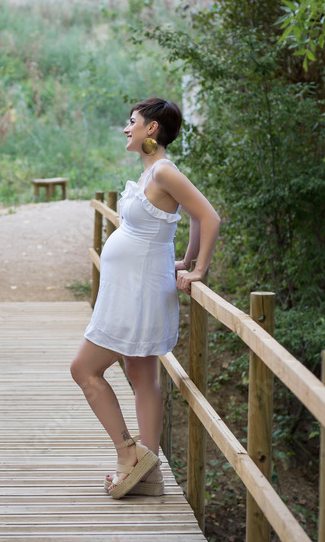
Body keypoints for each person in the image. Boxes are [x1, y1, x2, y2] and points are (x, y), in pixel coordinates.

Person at [70, 98, 220, 499]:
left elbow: (208, 216)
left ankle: (128, 455)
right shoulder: (152, 171)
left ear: (151, 129)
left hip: (138, 294)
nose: (126, 128)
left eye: (132, 122)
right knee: (142, 375)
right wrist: (183, 259)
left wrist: (198, 268)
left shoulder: (165, 171)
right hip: (133, 286)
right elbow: (183, 219)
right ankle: (150, 475)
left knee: (83, 369)